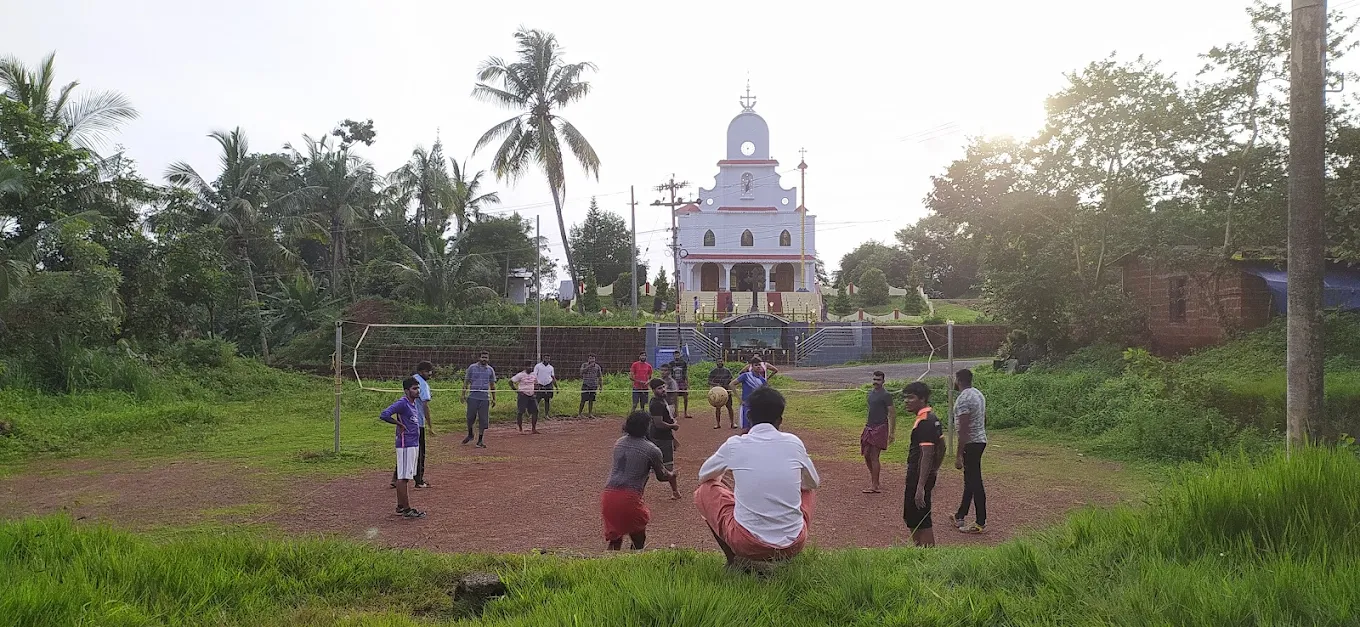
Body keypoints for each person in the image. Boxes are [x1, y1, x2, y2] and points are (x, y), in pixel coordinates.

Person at [694, 386, 819, 570]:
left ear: (749, 416)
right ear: (780, 420)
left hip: (748, 544)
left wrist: (726, 479)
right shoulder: (794, 442)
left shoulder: (735, 444)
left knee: (703, 491)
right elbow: (813, 482)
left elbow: (703, 475)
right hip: (793, 544)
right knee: (806, 486)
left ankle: (733, 560)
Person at [601, 411, 676, 550]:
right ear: (646, 427)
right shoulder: (652, 449)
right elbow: (661, 476)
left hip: (608, 495)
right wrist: (671, 475)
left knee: (615, 539)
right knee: (638, 539)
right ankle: (634, 565)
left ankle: (609, 567)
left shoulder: (619, 442)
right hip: (629, 496)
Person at [902, 381, 946, 547]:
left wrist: (920, 485)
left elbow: (927, 453)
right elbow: (942, 446)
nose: (907, 401)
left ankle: (927, 554)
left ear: (923, 399)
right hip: (922, 474)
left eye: (911, 397)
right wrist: (935, 469)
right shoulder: (930, 418)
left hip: (918, 475)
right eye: (905, 398)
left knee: (921, 518)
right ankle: (919, 550)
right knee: (913, 517)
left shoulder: (925, 422)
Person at [379, 377, 426, 519]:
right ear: (406, 391)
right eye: (414, 388)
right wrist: (398, 424)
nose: (417, 391)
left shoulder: (413, 404)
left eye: (418, 388)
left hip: (413, 443)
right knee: (403, 477)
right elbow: (385, 414)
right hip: (406, 444)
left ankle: (400, 505)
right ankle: (407, 509)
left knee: (405, 475)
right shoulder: (403, 403)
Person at [952, 368, 988, 534]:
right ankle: (960, 515)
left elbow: (963, 429)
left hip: (971, 444)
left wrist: (959, 454)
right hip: (980, 440)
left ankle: (980, 521)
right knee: (970, 480)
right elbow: (983, 418)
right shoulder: (978, 394)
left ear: (958, 380)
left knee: (975, 482)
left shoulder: (963, 399)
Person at [391, 361, 434, 490]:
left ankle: (396, 478)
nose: (430, 374)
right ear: (421, 371)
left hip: (407, 422)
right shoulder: (421, 384)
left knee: (407, 451)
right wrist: (430, 425)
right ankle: (419, 480)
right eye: (428, 371)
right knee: (418, 452)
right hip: (416, 423)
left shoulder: (412, 380)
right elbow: (425, 405)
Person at [860, 370, 896, 494]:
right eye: (874, 379)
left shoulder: (886, 395)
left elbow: (892, 413)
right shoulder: (870, 393)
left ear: (883, 381)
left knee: (874, 456)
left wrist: (892, 432)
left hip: (880, 427)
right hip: (869, 426)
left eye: (878, 380)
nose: (876, 382)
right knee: (866, 455)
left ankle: (875, 485)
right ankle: (874, 479)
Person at [647, 378, 682, 500]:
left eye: (663, 387)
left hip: (664, 437)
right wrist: (674, 426)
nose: (663, 390)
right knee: (666, 469)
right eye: (659, 388)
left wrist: (673, 438)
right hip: (659, 438)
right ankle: (675, 490)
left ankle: (675, 491)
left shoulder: (662, 400)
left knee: (664, 467)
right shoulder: (656, 403)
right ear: (653, 390)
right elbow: (659, 424)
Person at [460, 351, 496, 448]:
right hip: (473, 396)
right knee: (470, 418)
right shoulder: (472, 368)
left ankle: (480, 440)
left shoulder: (490, 370)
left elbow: (492, 385)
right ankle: (470, 434)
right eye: (483, 357)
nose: (484, 359)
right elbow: (466, 382)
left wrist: (494, 398)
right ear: (479, 358)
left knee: (483, 420)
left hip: (484, 397)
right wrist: (463, 395)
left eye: (486, 357)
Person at [734, 358, 768, 433]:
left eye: (759, 365)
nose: (758, 367)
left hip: (758, 407)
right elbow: (731, 384)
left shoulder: (763, 380)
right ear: (751, 366)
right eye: (756, 365)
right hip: (746, 406)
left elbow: (765, 393)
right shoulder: (745, 376)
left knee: (757, 429)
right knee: (745, 430)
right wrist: (739, 399)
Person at [509, 361, 539, 433]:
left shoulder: (534, 374)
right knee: (521, 412)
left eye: (531, 366)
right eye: (528, 366)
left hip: (531, 395)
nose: (530, 368)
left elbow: (536, 383)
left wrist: (535, 392)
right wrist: (516, 391)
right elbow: (510, 381)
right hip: (523, 395)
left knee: (535, 411)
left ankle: (533, 429)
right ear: (525, 367)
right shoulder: (521, 375)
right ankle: (520, 429)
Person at [708, 361, 736, 429]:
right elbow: (709, 381)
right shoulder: (713, 371)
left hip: (726, 391)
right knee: (718, 408)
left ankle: (732, 423)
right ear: (716, 363)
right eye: (719, 361)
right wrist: (716, 385)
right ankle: (718, 424)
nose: (720, 362)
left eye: (721, 361)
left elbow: (731, 380)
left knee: (729, 407)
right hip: (717, 392)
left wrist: (729, 389)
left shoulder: (727, 371)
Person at [578, 354, 603, 418]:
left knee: (591, 400)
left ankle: (590, 413)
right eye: (590, 358)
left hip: (594, 385)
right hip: (586, 384)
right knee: (583, 399)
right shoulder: (584, 365)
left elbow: (600, 377)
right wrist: (589, 366)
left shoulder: (597, 367)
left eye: (593, 358)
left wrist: (601, 386)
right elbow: (581, 372)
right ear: (588, 359)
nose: (591, 360)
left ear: (595, 359)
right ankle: (579, 414)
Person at [669, 354, 691, 418]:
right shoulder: (671, 363)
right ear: (673, 356)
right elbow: (669, 373)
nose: (677, 356)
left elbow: (685, 373)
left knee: (685, 397)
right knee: (675, 398)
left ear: (680, 355)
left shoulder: (683, 363)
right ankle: (676, 412)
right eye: (675, 355)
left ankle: (685, 413)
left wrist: (687, 382)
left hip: (682, 381)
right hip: (674, 382)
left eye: (678, 355)